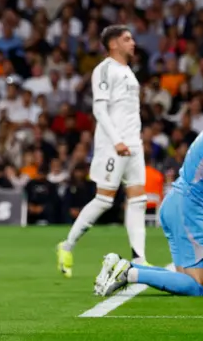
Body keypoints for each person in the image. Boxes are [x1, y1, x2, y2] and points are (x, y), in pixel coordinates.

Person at [96, 78, 203, 297]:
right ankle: (128, 272)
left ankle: (122, 267)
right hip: (188, 210)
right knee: (202, 288)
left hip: (179, 204)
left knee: (186, 282)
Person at [56, 25, 148, 278]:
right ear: (113, 44)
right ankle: (67, 245)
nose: (133, 42)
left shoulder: (128, 71)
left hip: (134, 144)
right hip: (113, 145)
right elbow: (99, 109)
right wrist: (117, 140)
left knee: (138, 200)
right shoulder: (104, 70)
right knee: (105, 200)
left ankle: (140, 259)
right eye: (127, 39)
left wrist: (132, 139)